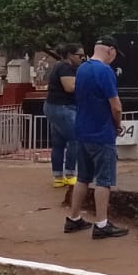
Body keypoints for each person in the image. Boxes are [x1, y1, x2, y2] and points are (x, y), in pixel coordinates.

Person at [64, 36, 129, 239]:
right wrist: (117, 125)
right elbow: (116, 106)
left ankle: (73, 217)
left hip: (82, 130)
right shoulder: (105, 71)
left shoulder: (82, 69)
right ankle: (101, 223)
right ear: (110, 50)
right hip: (102, 133)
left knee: (83, 177)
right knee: (104, 180)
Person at [45, 44, 85, 188]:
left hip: (54, 107)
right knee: (75, 139)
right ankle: (70, 174)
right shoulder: (66, 67)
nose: (83, 58)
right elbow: (70, 87)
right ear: (70, 55)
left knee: (59, 142)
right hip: (63, 107)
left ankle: (58, 177)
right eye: (80, 55)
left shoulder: (59, 66)